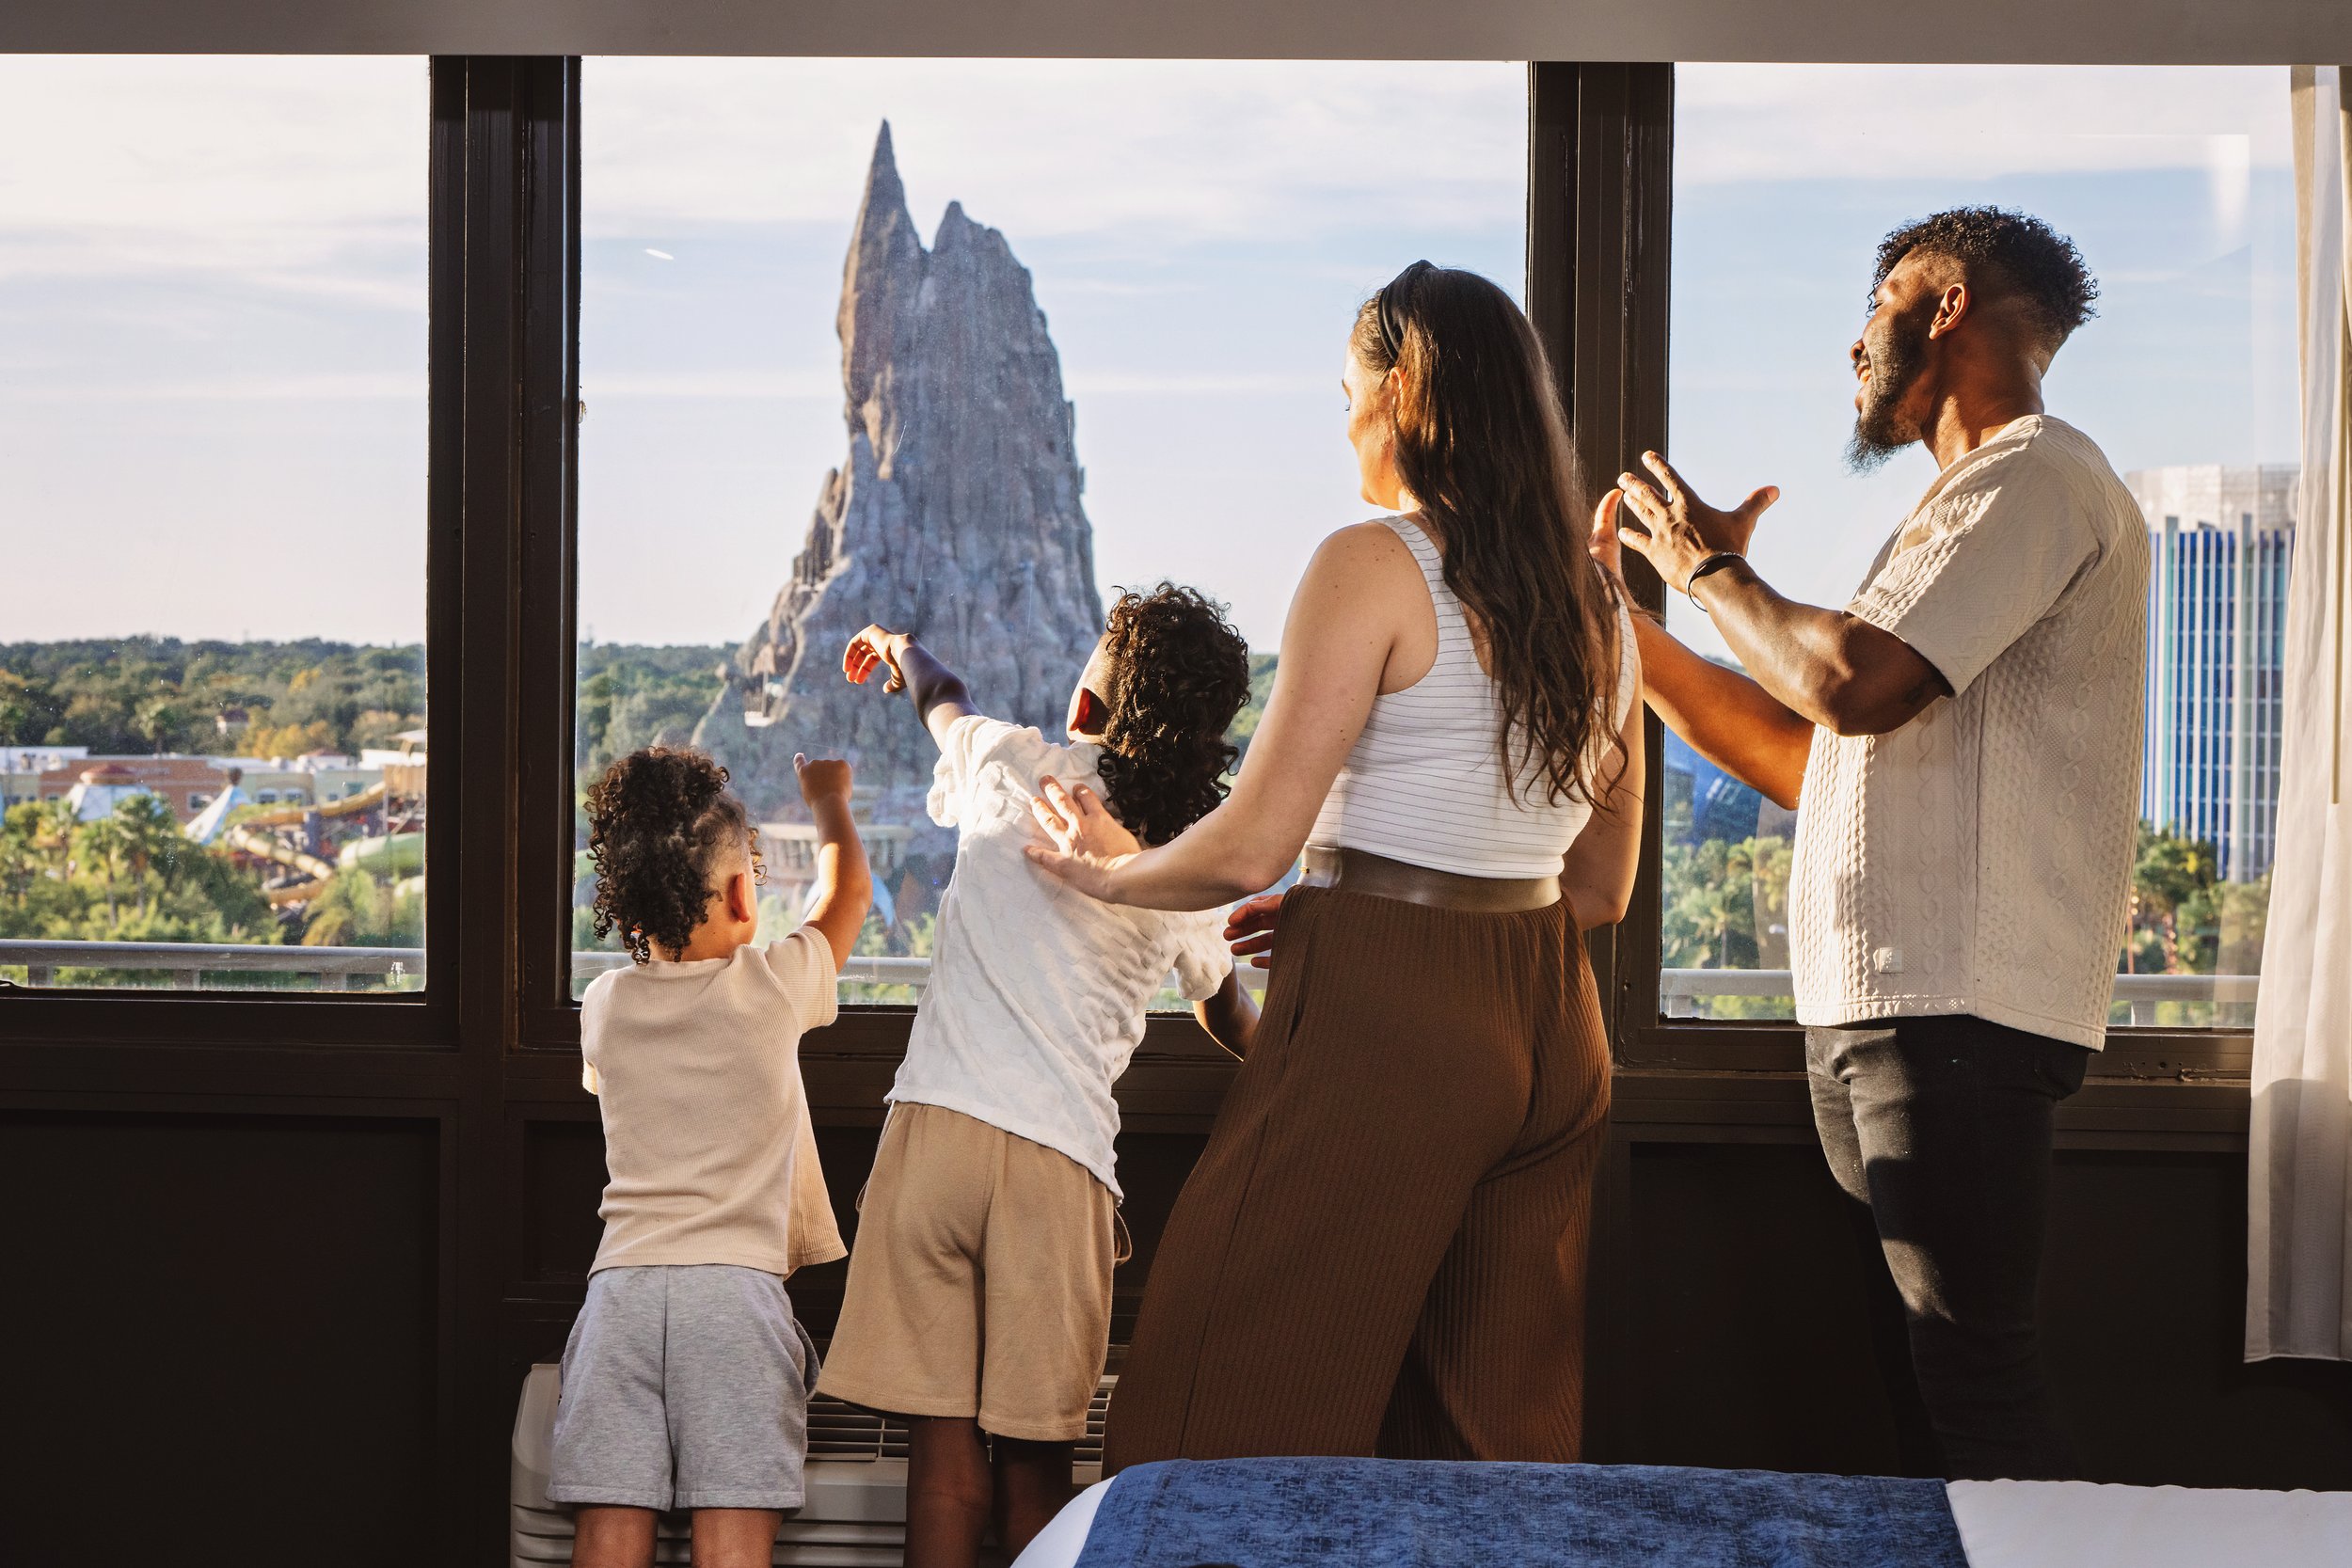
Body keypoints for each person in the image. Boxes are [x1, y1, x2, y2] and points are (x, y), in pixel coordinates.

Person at [1025, 261, 1644, 1468]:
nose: (1343, 419)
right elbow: (1598, 891)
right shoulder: (1602, 599)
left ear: (1402, 386)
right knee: (1486, 1440)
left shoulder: (1373, 561)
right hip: (1552, 1026)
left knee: (1219, 1405)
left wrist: (1111, 875)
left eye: (1347, 389)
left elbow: (1253, 842)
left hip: (1391, 1017)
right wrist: (1359, 908)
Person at [1597, 206, 2146, 1481]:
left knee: (1974, 1391)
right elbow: (1816, 756)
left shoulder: (2037, 475)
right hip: (1888, 1008)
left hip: (1955, 1008)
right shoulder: (1957, 514)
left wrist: (1708, 571)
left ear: (1943, 302)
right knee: (1920, 1402)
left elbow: (1852, 684)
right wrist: (1633, 640)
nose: (1854, 344)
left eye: (1877, 301)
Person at [817, 586, 1260, 1568]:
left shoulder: (1006, 760)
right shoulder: (1181, 867)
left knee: (938, 1461)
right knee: (1034, 1475)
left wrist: (898, 644)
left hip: (931, 1138)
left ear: (1089, 705)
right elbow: (1229, 1013)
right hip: (1056, 1169)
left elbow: (943, 692)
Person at [549, 746, 872, 1568]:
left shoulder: (606, 1005)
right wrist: (828, 800)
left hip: (618, 1296)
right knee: (733, 1543)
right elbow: (847, 898)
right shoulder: (769, 989)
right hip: (734, 1302)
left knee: (607, 1536)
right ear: (739, 894)